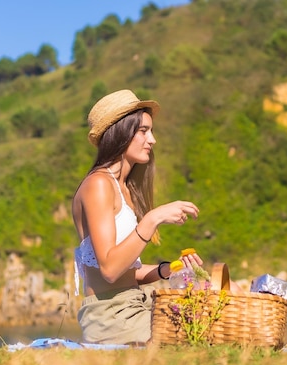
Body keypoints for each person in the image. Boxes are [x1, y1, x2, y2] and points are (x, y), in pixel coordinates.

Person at [72, 89, 202, 345]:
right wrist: (152, 219)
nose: (152, 140)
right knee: (204, 330)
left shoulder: (125, 189)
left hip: (135, 304)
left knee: (216, 307)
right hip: (110, 317)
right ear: (120, 132)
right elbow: (109, 270)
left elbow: (130, 272)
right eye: (143, 131)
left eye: (151, 131)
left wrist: (170, 268)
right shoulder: (98, 184)